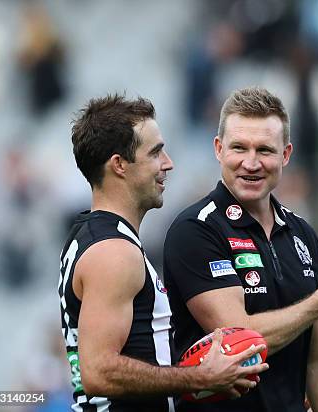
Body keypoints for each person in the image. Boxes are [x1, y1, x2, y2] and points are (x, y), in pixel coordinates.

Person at [58, 94, 269, 412]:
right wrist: (200, 377)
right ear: (119, 165)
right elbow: (98, 371)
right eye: (155, 152)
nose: (168, 163)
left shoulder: (97, 237)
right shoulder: (113, 253)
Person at [163, 87, 318, 412]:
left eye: (264, 150)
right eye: (239, 148)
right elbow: (241, 341)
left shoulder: (302, 233)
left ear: (286, 155)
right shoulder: (195, 229)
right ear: (219, 149)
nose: (251, 163)